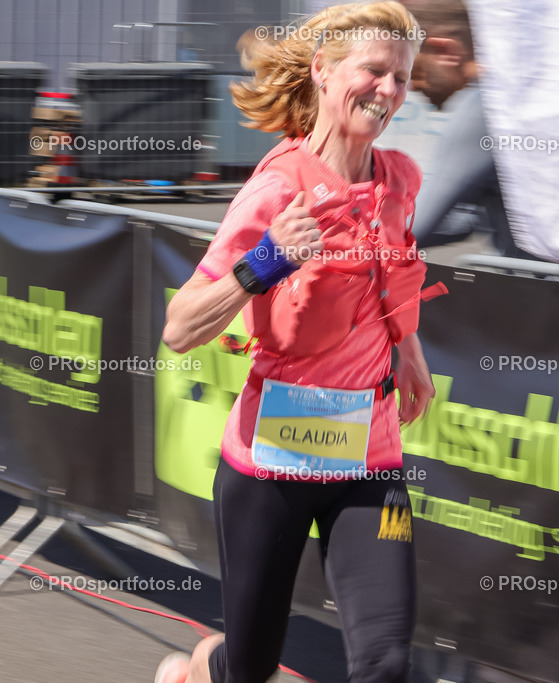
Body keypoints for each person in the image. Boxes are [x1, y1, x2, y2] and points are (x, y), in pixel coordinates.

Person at [157, 3, 436, 681]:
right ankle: (200, 669)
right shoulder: (277, 189)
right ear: (323, 70)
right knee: (249, 668)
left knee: (386, 662)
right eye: (374, 71)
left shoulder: (399, 179)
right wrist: (266, 262)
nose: (389, 91)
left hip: (371, 465)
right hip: (270, 469)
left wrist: (412, 355)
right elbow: (180, 327)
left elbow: (390, 279)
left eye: (401, 78)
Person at [396, 0, 533, 259]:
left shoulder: (480, 107)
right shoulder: (510, 96)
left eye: (412, 70)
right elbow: (465, 222)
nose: (412, 86)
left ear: (445, 50)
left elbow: (409, 232)